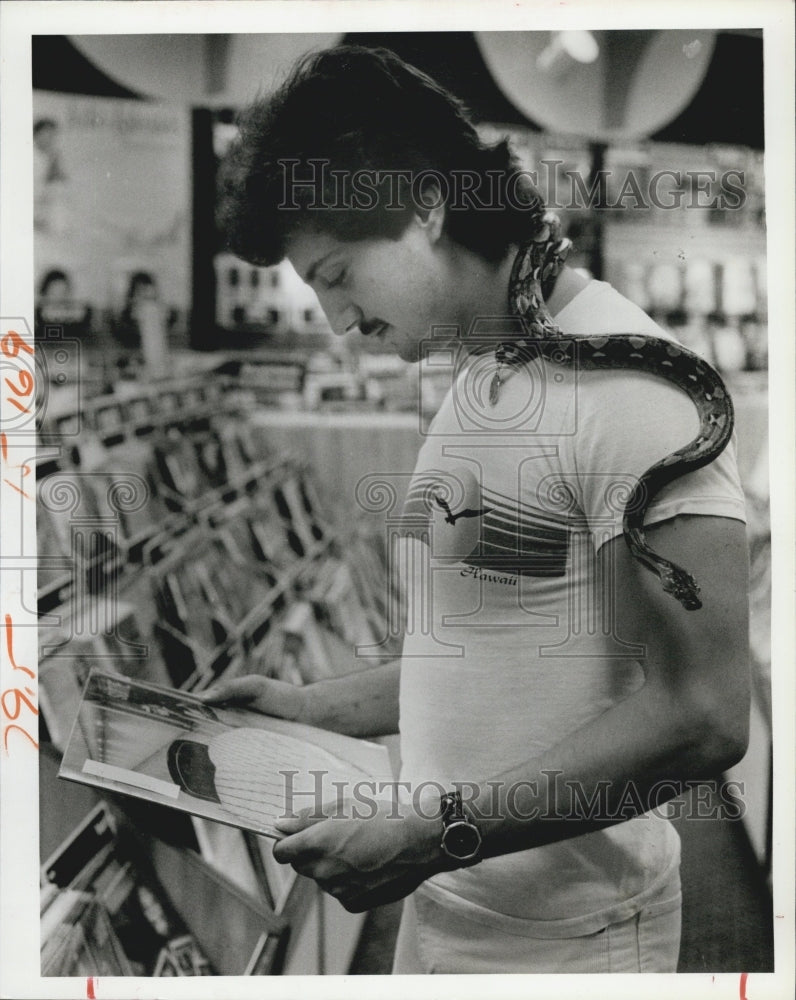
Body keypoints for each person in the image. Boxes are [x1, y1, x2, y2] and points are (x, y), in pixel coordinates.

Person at [200, 45, 750, 974]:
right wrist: (310, 707)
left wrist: (437, 832)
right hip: (451, 906)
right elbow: (485, 638)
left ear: (424, 202)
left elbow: (705, 716)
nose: (337, 320)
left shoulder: (633, 390)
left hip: (574, 944)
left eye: (337, 275)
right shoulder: (484, 368)